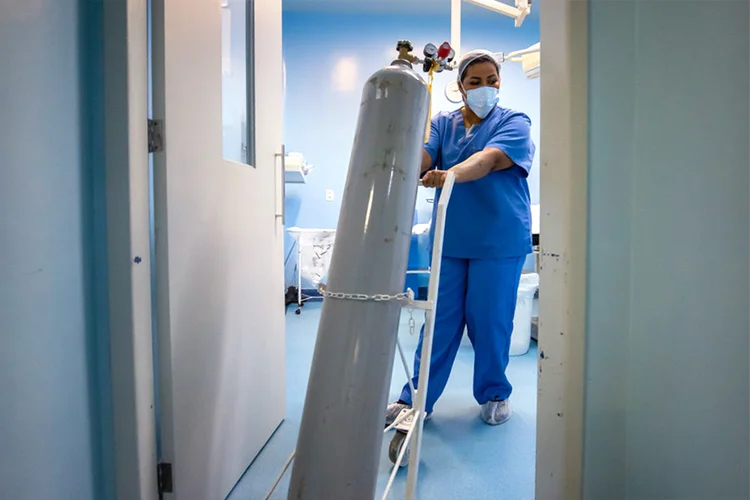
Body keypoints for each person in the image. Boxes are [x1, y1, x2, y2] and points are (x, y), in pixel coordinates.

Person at [386, 49, 536, 426]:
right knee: (439, 320)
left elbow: (487, 160)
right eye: (475, 82)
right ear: (460, 87)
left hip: (497, 240)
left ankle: (494, 394)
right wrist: (404, 152)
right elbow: (422, 156)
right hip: (450, 240)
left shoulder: (514, 121)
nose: (485, 87)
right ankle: (416, 399)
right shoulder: (443, 123)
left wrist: (449, 173)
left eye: (492, 81)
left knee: (490, 322)